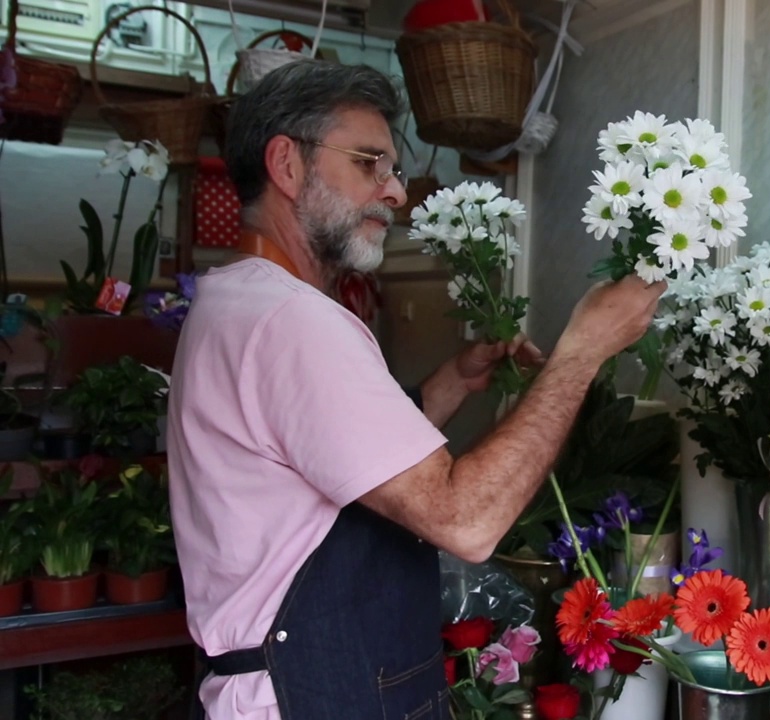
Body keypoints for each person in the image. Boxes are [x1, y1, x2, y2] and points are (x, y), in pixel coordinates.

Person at [167, 59, 664, 720]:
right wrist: (582, 351)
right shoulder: (292, 322)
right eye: (369, 162)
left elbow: (329, 456)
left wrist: (451, 384)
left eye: (392, 168)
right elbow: (468, 522)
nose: (396, 191)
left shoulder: (235, 302)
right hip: (308, 695)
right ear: (287, 165)